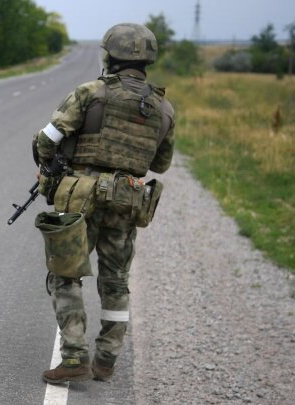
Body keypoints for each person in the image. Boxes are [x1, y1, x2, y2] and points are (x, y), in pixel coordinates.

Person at [34, 23, 175, 383]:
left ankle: (74, 356)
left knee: (65, 274)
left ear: (110, 56)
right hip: (127, 200)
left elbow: (46, 140)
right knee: (115, 281)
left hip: (82, 196)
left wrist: (53, 162)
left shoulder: (90, 93)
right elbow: (159, 164)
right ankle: (106, 360)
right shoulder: (164, 108)